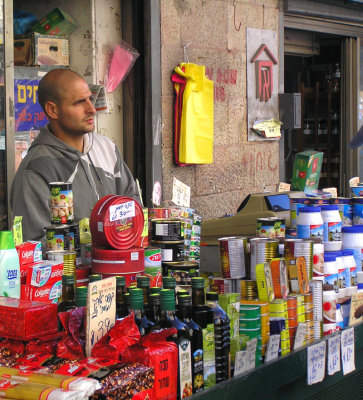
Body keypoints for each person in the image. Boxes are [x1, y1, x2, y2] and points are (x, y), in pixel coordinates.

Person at [11, 68, 140, 244]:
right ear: (52, 110)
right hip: (73, 271)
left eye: (90, 99)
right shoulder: (36, 169)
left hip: (118, 267)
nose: (91, 109)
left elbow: (133, 208)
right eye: (79, 102)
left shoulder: (107, 148)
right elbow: (33, 246)